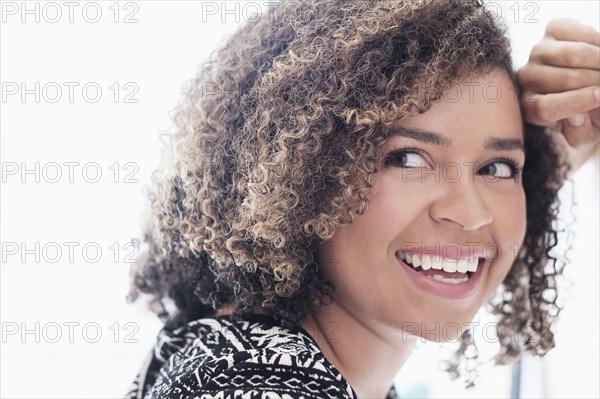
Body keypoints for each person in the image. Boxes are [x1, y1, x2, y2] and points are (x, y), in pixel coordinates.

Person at [125, 1, 599, 398]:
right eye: (408, 160)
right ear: (299, 177)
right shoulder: (257, 386)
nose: (472, 214)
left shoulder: (244, 359)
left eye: (496, 168)